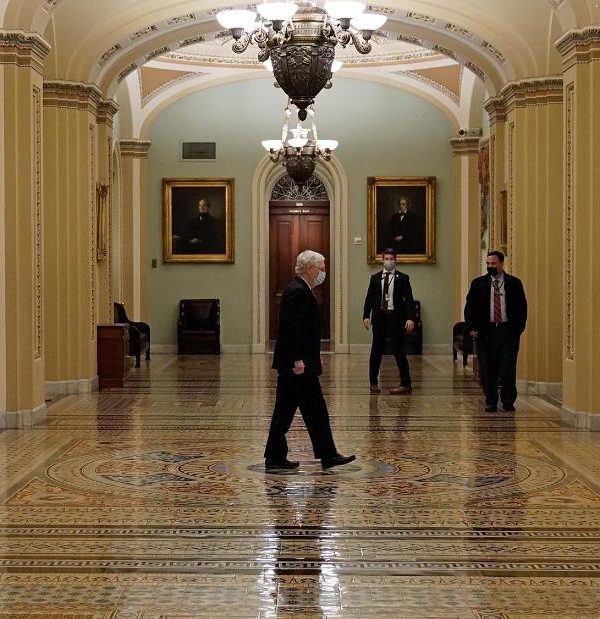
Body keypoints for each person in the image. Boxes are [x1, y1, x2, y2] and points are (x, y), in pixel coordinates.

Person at [264, 250, 356, 471]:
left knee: (289, 410)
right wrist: (298, 359)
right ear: (310, 269)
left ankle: (277, 456)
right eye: (321, 268)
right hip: (298, 364)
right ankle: (326, 455)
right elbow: (292, 329)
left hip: (296, 363)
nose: (324, 272)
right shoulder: (297, 291)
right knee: (313, 410)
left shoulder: (301, 289)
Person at [464, 250, 527, 412]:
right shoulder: (478, 283)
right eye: (488, 264)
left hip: (507, 331)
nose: (490, 266)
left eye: (493, 263)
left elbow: (522, 308)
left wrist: (518, 329)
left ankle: (508, 400)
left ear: (501, 264)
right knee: (488, 368)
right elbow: (469, 307)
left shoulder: (514, 283)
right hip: (486, 332)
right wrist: (471, 327)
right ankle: (491, 400)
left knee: (508, 368)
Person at [363, 248, 416, 395]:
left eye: (391, 259)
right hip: (379, 318)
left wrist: (410, 318)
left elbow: (409, 299)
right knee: (376, 349)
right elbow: (369, 298)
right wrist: (366, 315)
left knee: (399, 350)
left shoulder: (403, 278)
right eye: (386, 259)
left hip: (395, 318)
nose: (389, 261)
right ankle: (373, 382)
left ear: (395, 260)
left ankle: (405, 383)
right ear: (382, 260)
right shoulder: (375, 278)